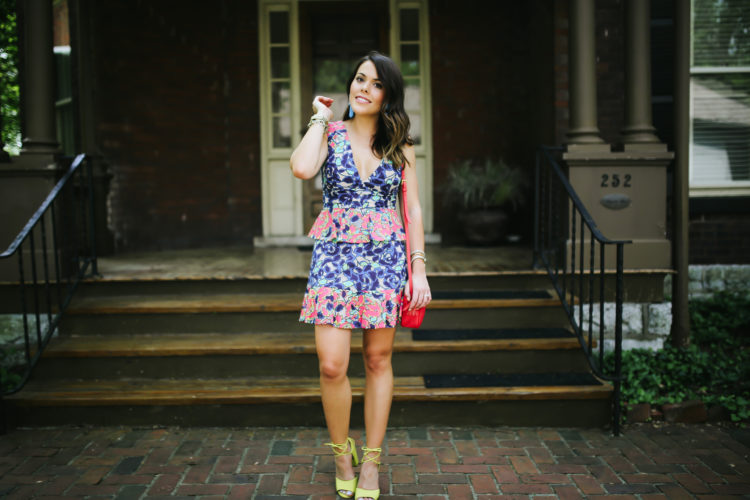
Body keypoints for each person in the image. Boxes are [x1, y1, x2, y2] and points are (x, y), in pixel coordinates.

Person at [290, 51, 431, 500]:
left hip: (386, 258)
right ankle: (340, 454)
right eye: (358, 79)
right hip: (334, 256)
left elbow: (411, 208)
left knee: (377, 361)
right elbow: (301, 168)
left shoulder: (399, 142)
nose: (362, 88)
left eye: (373, 83)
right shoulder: (329, 134)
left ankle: (371, 460)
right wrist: (318, 118)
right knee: (332, 365)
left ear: (387, 94)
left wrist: (419, 268)